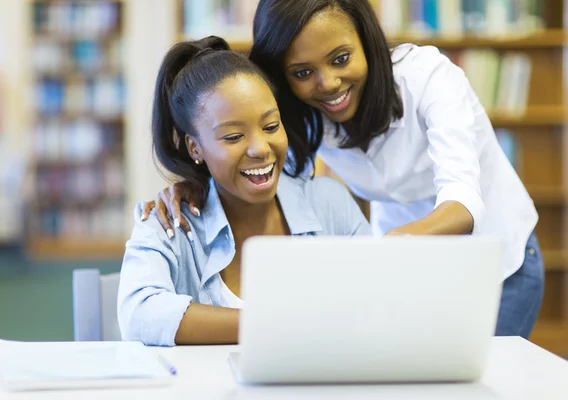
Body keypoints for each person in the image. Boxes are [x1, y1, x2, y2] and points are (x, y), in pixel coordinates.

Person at [143, 0, 544, 339]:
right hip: (411, 276)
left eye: (340, 59)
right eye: (302, 72)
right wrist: (195, 183)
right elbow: (267, 175)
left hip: (498, 264)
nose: (328, 83)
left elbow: (463, 205)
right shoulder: (304, 116)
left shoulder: (428, 78)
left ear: (365, 40)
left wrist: (374, 255)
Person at [118, 36, 371, 346]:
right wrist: (273, 325)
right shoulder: (165, 221)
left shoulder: (329, 203)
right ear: (195, 147)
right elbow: (138, 315)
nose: (260, 149)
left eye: (270, 126)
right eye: (234, 136)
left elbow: (377, 301)